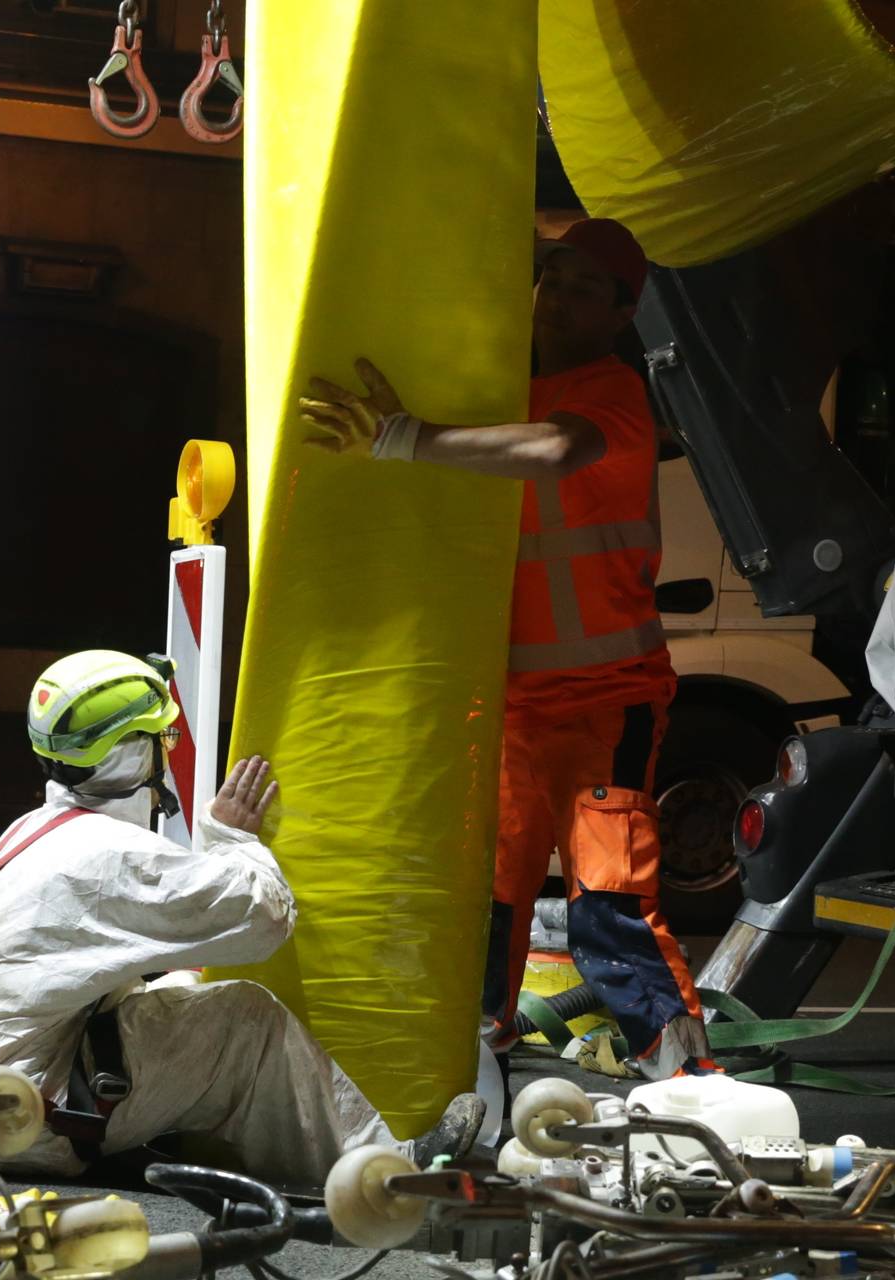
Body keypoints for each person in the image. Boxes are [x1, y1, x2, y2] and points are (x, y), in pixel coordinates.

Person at [296, 217, 709, 1079]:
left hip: (608, 703)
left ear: (623, 312)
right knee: (487, 899)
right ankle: (471, 1058)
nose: (556, 297)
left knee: (609, 906)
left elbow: (557, 450)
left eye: (583, 287)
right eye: (551, 277)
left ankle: (688, 1080)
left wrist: (403, 438)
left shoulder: (611, 394)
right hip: (517, 706)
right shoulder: (499, 386)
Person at [0, 651, 486, 1184]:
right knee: (246, 1020)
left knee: (182, 985)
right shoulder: (108, 856)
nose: (168, 749)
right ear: (132, 751)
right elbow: (262, 916)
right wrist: (229, 833)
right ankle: (385, 1171)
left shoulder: (32, 830)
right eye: (161, 737)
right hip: (22, 1123)